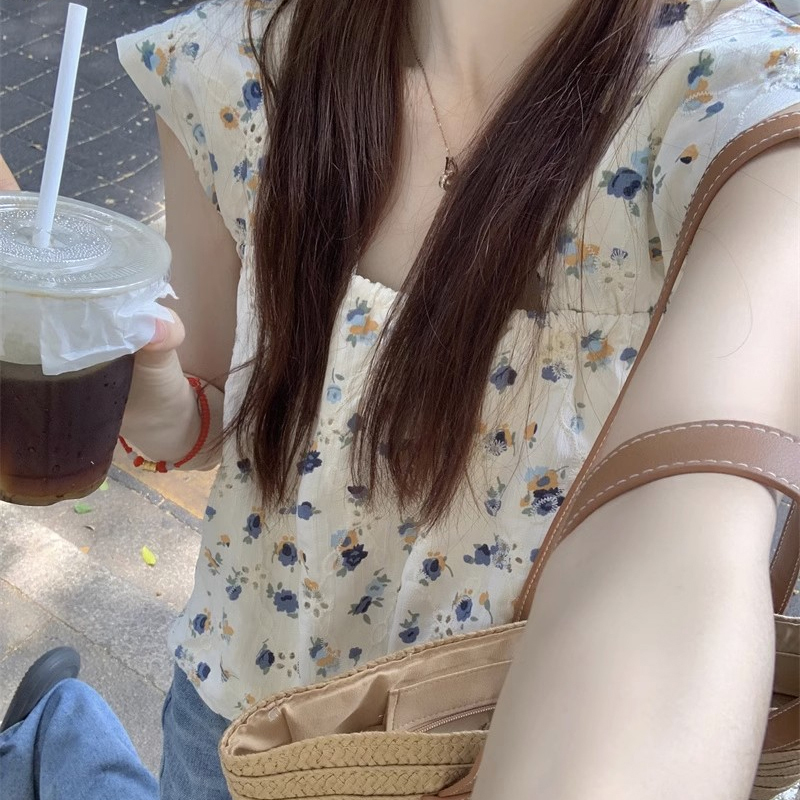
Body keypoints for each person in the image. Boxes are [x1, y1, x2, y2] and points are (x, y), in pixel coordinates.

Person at [1, 0, 799, 798]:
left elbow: (678, 549)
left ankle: (54, 737)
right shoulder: (236, 60)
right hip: (243, 706)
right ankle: (59, 735)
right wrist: (153, 402)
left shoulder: (739, 117)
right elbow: (209, 415)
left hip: (480, 742)